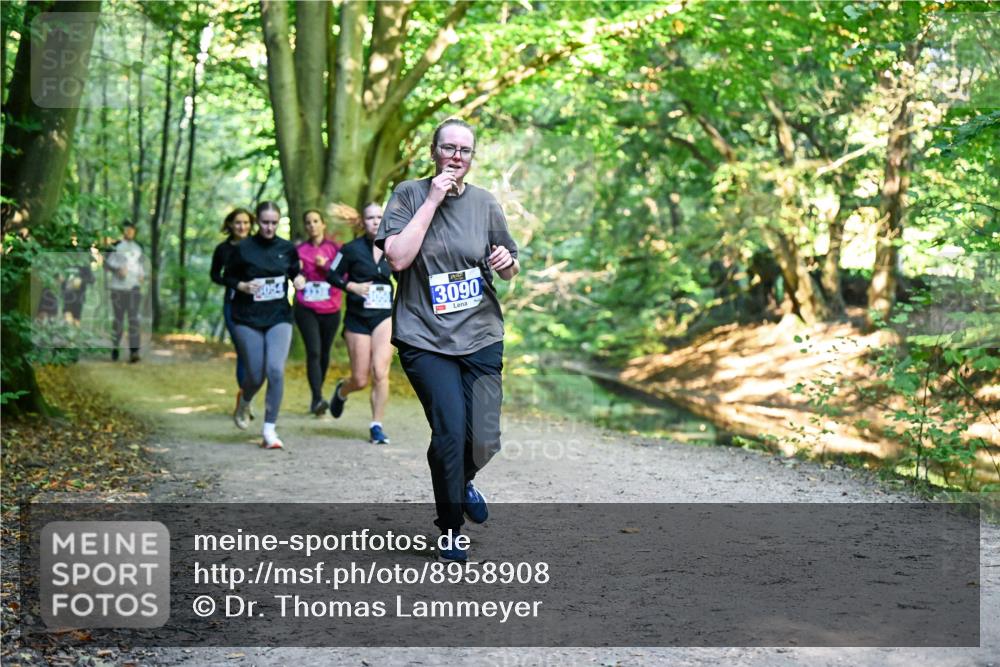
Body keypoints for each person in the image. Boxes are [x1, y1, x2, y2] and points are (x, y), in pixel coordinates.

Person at [376, 118, 520, 561]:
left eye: (465, 150)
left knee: (485, 437)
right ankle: (451, 527)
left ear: (472, 157)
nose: (456, 157)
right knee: (450, 433)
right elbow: (397, 258)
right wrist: (433, 200)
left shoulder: (485, 203)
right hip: (424, 336)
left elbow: (510, 265)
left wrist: (506, 262)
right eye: (449, 148)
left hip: (481, 333)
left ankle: (462, 481)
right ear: (433, 151)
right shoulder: (408, 194)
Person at [222, 201, 305, 450]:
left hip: (279, 316)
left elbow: (295, 272)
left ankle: (269, 430)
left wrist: (299, 280)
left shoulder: (287, 248)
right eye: (265, 222)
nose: (269, 227)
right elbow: (227, 275)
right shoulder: (243, 248)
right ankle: (245, 400)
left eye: (274, 223)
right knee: (256, 375)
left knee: (275, 370)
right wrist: (242, 286)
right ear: (257, 222)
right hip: (247, 317)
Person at [326, 202, 394, 445]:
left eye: (379, 217)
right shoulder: (350, 249)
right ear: (362, 222)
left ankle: (377, 425)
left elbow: (405, 275)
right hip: (358, 319)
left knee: (380, 371)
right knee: (360, 379)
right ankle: (343, 390)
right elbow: (331, 274)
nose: (375, 222)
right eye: (370, 218)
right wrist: (351, 286)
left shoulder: (393, 247)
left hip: (384, 316)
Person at [294, 209, 343, 416]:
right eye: (308, 222)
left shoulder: (335, 249)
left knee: (324, 353)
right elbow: (293, 273)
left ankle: (318, 394)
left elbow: (343, 275)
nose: (312, 225)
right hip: (306, 308)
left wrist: (326, 266)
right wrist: (297, 278)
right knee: (313, 351)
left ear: (323, 224)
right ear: (305, 227)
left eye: (316, 221)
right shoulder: (299, 250)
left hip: (331, 308)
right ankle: (317, 398)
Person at [211, 208, 255, 417]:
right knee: (243, 352)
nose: (242, 227)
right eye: (238, 223)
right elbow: (215, 275)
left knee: (256, 355)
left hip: (258, 306)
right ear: (230, 224)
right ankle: (246, 398)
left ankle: (248, 395)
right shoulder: (222, 249)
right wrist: (236, 284)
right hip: (233, 304)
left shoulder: (258, 245)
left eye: (246, 223)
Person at [105, 220, 145, 362]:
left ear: (134, 232)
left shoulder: (138, 248)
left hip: (134, 288)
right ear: (123, 231)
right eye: (127, 230)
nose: (129, 232)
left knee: (134, 319)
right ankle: (115, 347)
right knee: (118, 320)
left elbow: (140, 265)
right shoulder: (115, 246)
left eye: (132, 230)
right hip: (118, 289)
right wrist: (117, 270)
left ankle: (134, 352)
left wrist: (141, 275)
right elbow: (106, 264)